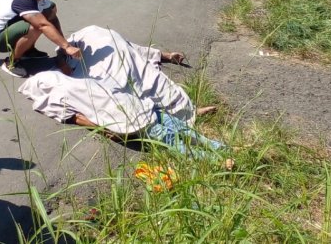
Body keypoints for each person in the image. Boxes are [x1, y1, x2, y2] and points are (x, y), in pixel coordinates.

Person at [18, 25, 223, 160]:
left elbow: (131, 49)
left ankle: (219, 150)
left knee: (175, 130)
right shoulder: (52, 84)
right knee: (169, 135)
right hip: (127, 116)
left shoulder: (87, 38)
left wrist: (164, 56)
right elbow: (71, 115)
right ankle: (216, 158)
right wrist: (103, 128)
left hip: (139, 106)